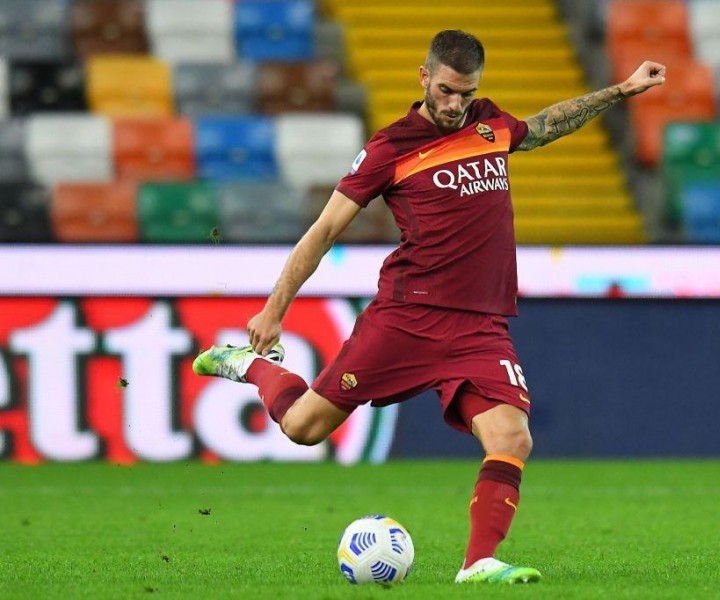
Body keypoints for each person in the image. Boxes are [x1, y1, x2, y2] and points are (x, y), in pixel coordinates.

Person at [194, 29, 665, 584]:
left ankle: (478, 563)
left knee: (513, 438)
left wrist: (622, 90)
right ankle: (250, 367)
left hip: (480, 326)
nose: (454, 104)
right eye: (445, 91)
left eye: (465, 93)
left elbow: (545, 125)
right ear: (424, 78)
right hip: (407, 318)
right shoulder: (389, 148)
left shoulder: (488, 125)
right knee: (303, 427)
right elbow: (323, 230)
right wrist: (276, 310)